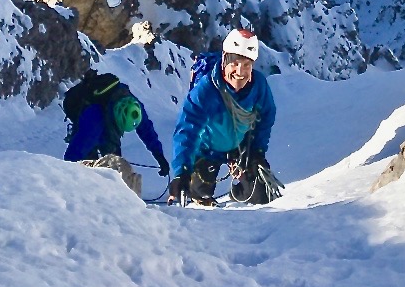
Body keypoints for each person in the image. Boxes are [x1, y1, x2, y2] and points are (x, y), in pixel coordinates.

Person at [169, 28, 277, 206]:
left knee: (262, 197)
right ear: (224, 59)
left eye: (247, 64)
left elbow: (267, 116)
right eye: (234, 63)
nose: (240, 71)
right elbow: (187, 130)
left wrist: (257, 151)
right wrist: (182, 172)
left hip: (241, 149)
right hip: (207, 151)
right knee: (199, 195)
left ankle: (238, 196)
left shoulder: (258, 86)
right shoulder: (206, 90)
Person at [64, 71, 170, 178]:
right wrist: (68, 176)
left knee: (115, 165)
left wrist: (159, 156)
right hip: (86, 117)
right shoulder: (94, 121)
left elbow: (146, 130)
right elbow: (74, 154)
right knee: (90, 163)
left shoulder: (134, 108)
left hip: (107, 118)